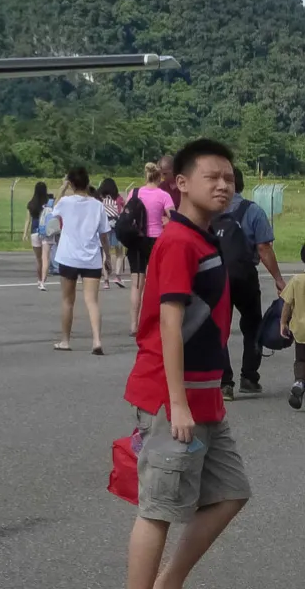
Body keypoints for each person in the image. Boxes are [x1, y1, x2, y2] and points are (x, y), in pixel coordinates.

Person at [124, 138, 250, 589]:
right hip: (171, 398)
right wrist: (177, 403)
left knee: (232, 492)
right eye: (211, 177)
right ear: (181, 183)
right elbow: (169, 326)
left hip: (204, 394)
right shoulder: (179, 242)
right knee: (158, 511)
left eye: (229, 178)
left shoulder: (205, 236)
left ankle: (169, 580)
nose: (222, 185)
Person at [212, 167, 287, 399]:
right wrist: (278, 278)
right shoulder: (252, 210)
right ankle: (249, 376)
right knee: (253, 324)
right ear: (241, 185)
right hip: (244, 275)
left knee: (219, 328)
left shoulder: (208, 211)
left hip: (215, 275)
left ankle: (225, 382)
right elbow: (264, 248)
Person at [49, 167, 111, 354]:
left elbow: (54, 211)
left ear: (71, 183)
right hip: (91, 257)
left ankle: (65, 340)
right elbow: (104, 235)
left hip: (69, 256)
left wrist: (62, 187)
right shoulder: (97, 205)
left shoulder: (66, 202)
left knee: (68, 300)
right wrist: (107, 256)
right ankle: (97, 340)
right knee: (92, 301)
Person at [127, 162, 175, 335]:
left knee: (136, 284)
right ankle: (155, 322)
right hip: (156, 240)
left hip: (136, 240)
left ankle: (134, 324)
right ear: (159, 176)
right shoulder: (164, 195)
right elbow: (173, 217)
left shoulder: (134, 192)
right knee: (157, 283)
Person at [280, 249, 305, 411]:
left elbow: (287, 305)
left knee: (301, 360)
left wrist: (283, 322)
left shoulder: (296, 280)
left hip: (301, 330)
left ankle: (299, 382)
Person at [23, 181, 53, 290]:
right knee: (46, 258)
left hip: (34, 231)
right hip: (46, 231)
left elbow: (28, 220)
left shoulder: (31, 203)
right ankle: (43, 282)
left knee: (38, 259)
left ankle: (39, 279)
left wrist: (25, 233)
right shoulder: (49, 202)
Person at [100, 178, 126, 287]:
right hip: (116, 227)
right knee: (119, 253)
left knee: (106, 254)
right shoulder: (118, 198)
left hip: (105, 228)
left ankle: (106, 280)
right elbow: (124, 209)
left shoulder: (101, 199)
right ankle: (117, 276)